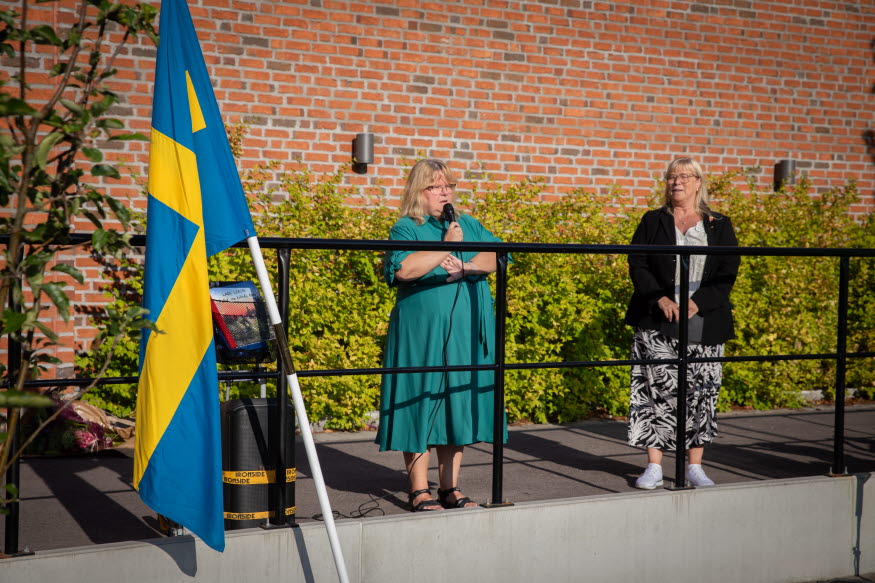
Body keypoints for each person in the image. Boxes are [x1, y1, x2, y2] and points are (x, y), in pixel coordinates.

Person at [376, 158, 507, 512]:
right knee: (420, 398)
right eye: (435, 186)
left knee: (456, 401)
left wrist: (468, 266)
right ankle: (419, 489)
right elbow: (403, 269)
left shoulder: (468, 224)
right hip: (421, 333)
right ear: (418, 191)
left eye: (448, 185)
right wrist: (447, 247)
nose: (444, 192)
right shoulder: (406, 228)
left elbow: (499, 257)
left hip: (464, 333)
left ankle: (451, 488)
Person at [624, 156, 740, 489]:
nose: (677, 182)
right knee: (653, 390)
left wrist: (696, 302)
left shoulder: (719, 224)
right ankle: (654, 467)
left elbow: (727, 271)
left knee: (702, 392)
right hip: (656, 320)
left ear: (699, 183)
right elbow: (638, 263)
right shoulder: (652, 220)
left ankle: (695, 466)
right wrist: (659, 298)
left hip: (704, 320)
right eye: (672, 177)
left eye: (685, 176)